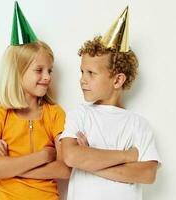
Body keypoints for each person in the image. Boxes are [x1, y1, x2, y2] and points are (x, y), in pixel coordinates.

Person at [60, 7, 161, 200]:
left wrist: (89, 160)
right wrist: (126, 156)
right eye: (82, 72)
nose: (82, 80)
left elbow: (147, 174)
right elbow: (72, 156)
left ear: (117, 80)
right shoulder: (79, 115)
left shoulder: (138, 124)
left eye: (91, 73)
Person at [0, 2, 70, 200]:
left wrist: (9, 165)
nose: (47, 77)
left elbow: (64, 169)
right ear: (17, 72)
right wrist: (44, 156)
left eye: (50, 70)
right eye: (39, 70)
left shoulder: (55, 114)